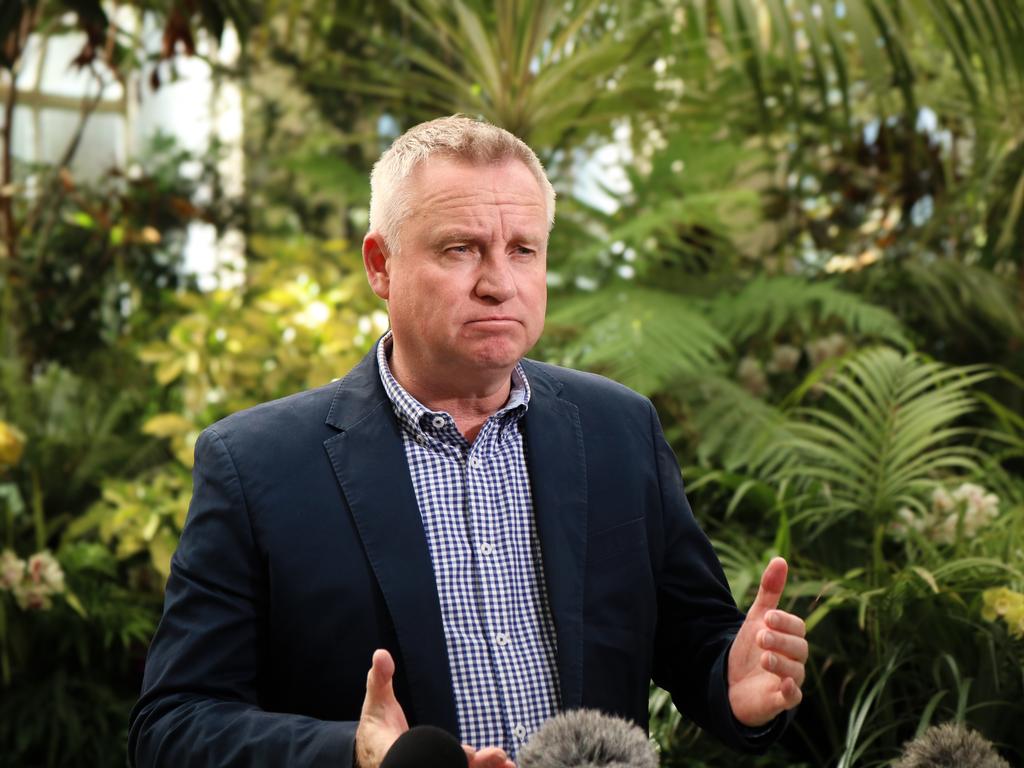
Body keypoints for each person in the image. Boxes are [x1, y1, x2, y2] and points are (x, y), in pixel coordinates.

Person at [128, 116, 807, 768]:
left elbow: (696, 645)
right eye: (461, 249)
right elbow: (174, 725)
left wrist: (733, 685)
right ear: (380, 265)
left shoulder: (617, 429)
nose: (498, 283)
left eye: (523, 250)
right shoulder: (257, 465)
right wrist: (357, 755)